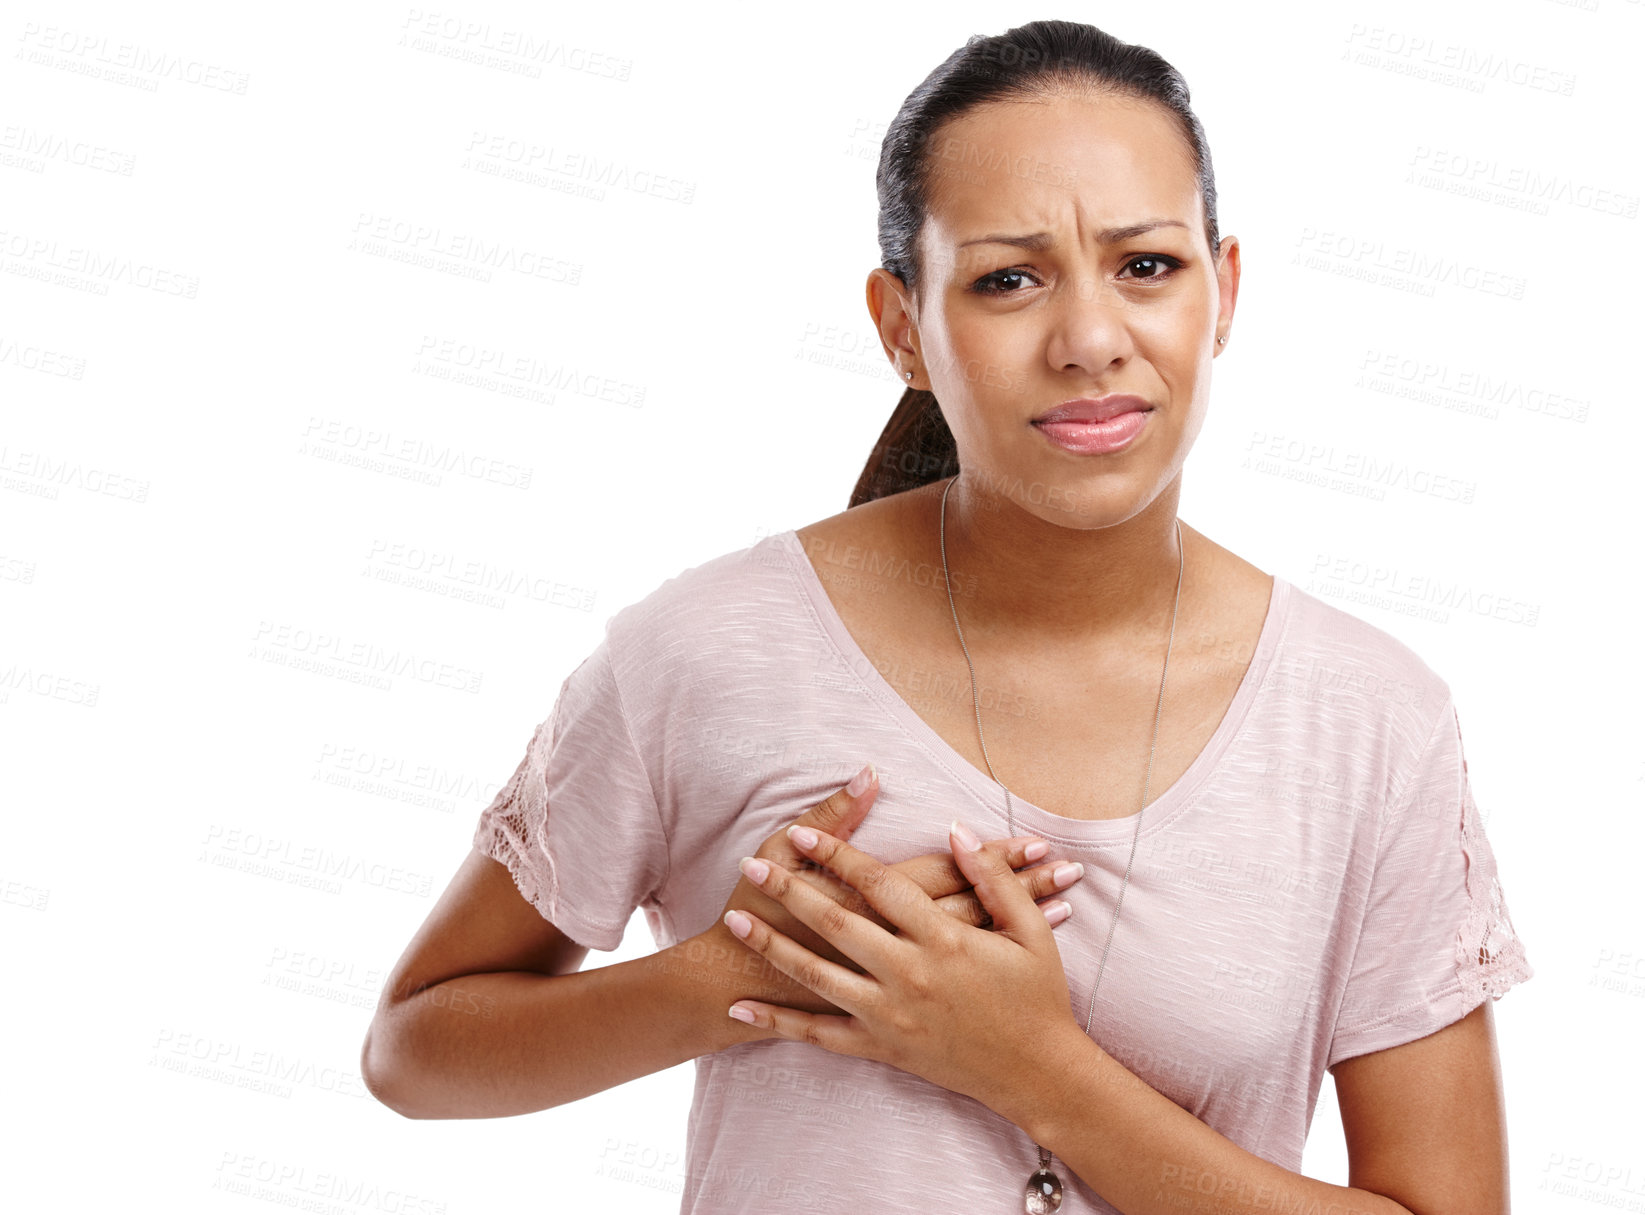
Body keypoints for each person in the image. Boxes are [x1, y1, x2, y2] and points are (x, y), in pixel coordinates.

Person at [359, 19, 1532, 1214]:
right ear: (901, 324)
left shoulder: (1370, 722)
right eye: (1006, 279)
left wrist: (1036, 1069)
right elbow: (413, 1053)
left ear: (1221, 293)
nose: (1088, 341)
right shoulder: (702, 651)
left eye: (1146, 266)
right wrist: (737, 971)